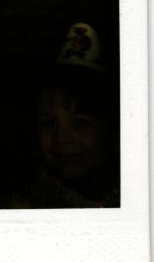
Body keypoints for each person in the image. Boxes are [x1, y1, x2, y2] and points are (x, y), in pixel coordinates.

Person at [12, 23, 120, 208]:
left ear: (112, 128)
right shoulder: (37, 199)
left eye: (80, 123)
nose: (62, 138)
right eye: (49, 123)